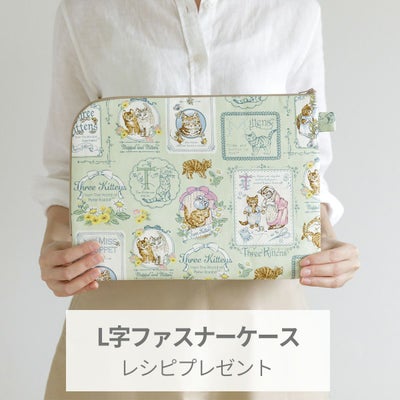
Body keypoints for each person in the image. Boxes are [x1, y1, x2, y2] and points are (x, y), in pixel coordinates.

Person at [36, 0, 360, 399]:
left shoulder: (293, 9)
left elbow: (307, 157)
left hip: (259, 305)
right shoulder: (86, 10)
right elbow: (66, 168)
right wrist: (57, 245)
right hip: (126, 304)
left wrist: (324, 240)